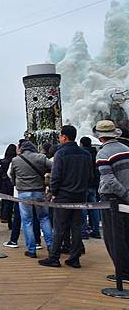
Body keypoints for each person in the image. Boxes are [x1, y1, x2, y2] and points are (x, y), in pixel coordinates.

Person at [39, 125, 92, 268]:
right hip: (80, 195)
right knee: (76, 227)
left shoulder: (61, 154)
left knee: (59, 227)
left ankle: (54, 257)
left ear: (64, 137)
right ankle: (74, 258)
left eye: (60, 136)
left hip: (63, 195)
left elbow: (56, 176)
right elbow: (90, 176)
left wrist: (54, 192)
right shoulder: (86, 154)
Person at [93, 120, 129, 283]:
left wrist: (125, 194)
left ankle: (122, 273)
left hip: (112, 199)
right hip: (126, 199)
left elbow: (109, 180)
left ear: (100, 137)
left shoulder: (103, 153)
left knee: (113, 237)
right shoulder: (126, 149)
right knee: (126, 235)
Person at [8, 140, 53, 258]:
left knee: (27, 221)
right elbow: (54, 168)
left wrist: (18, 184)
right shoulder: (41, 158)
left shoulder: (16, 160)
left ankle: (31, 250)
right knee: (44, 218)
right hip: (39, 192)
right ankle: (51, 246)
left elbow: (12, 176)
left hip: (23, 193)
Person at [79, 136, 101, 239]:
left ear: (81, 144)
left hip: (83, 184)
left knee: (83, 208)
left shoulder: (82, 154)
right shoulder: (96, 153)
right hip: (93, 184)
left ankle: (83, 231)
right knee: (94, 208)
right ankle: (96, 230)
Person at [0, 144, 16, 223]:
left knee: (4, 200)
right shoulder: (14, 161)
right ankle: (9, 217)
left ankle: (3, 216)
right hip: (11, 182)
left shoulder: (3, 162)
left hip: (4, 183)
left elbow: (0, 172)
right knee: (11, 200)